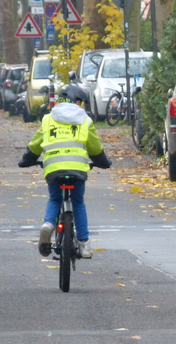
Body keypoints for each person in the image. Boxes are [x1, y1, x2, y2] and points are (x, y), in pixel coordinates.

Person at [19, 84, 112, 258]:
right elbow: (95, 149)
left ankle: (48, 225)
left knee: (55, 199)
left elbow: (35, 146)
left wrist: (26, 161)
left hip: (53, 167)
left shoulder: (48, 120)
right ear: (76, 101)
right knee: (78, 202)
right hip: (77, 168)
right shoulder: (85, 120)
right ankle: (84, 244)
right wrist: (104, 163)